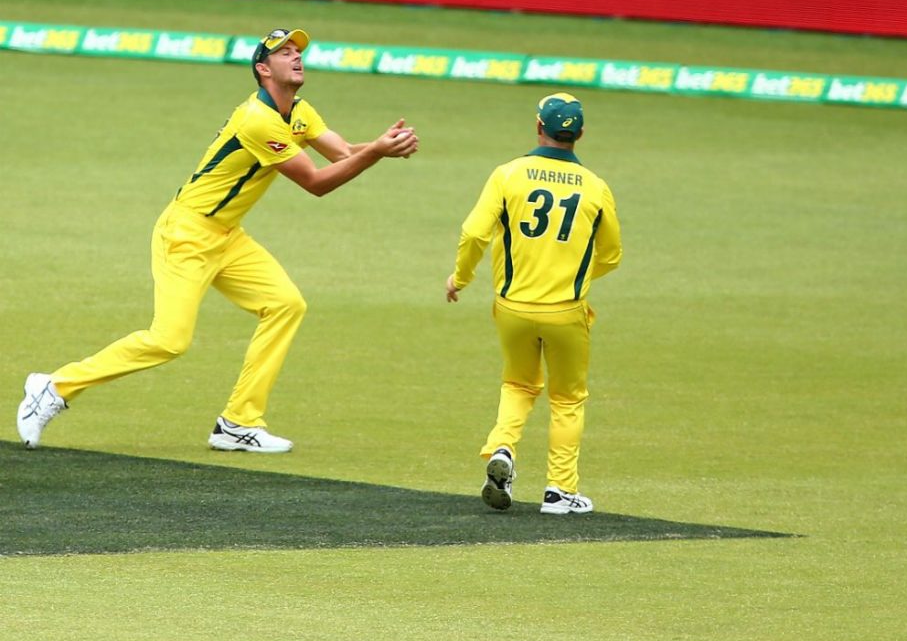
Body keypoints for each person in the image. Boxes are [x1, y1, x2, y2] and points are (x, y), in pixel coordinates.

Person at [17, 27, 419, 453]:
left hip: (227, 236)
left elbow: (340, 154)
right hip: (187, 233)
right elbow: (317, 182)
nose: (296, 56)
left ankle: (238, 423)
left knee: (285, 304)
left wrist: (377, 146)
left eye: (297, 51)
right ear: (264, 70)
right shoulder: (258, 120)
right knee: (169, 340)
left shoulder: (298, 112)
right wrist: (375, 152)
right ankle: (54, 387)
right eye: (284, 53)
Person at [446, 92, 622, 515]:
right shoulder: (596, 187)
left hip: (512, 307)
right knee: (567, 400)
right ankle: (560, 491)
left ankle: (502, 447)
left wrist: (461, 278)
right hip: (566, 311)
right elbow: (612, 255)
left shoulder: (508, 174)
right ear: (579, 134)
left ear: (538, 127)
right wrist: (573, 276)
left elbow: (473, 234)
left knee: (518, 384)